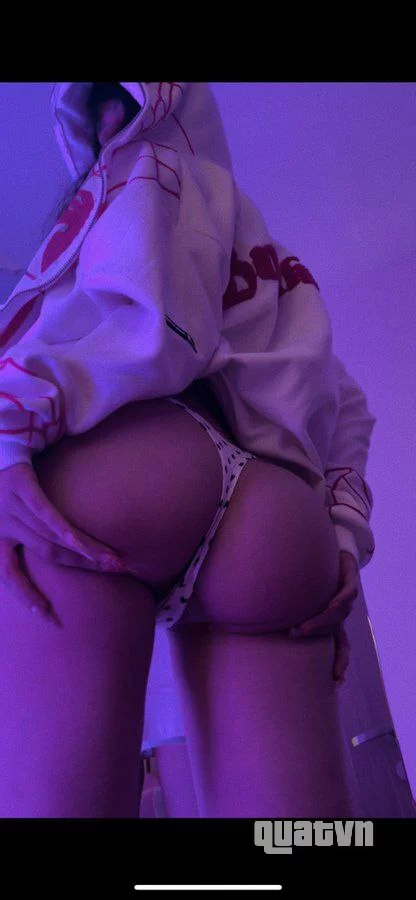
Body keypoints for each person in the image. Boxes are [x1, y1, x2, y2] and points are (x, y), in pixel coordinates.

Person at [0, 82, 376, 818]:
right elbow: (344, 402)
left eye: (112, 100)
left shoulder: (141, 175)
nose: (109, 119)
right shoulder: (269, 250)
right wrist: (343, 534)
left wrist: (7, 435)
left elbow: (146, 315)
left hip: (130, 477)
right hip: (276, 519)